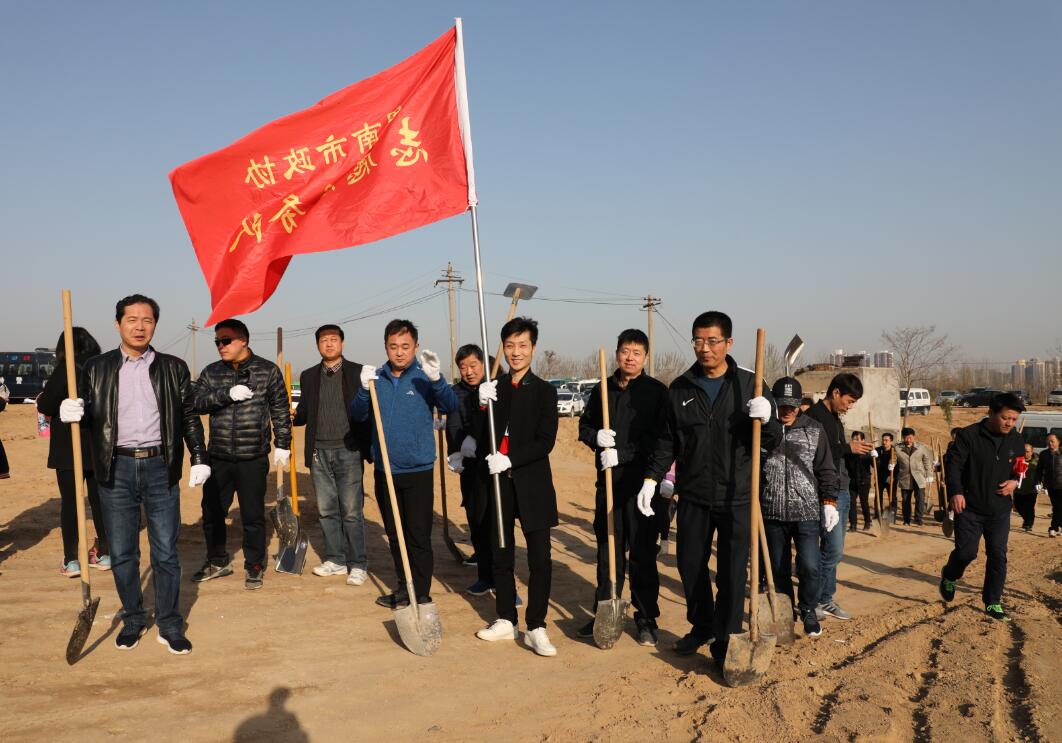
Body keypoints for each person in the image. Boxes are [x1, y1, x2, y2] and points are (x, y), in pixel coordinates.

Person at [59, 294, 209, 654]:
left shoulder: (173, 368)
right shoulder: (96, 368)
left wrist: (199, 457)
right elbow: (90, 415)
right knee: (124, 552)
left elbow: (188, 416)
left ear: (154, 324)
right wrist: (73, 413)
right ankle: (134, 618)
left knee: (166, 552)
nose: (139, 327)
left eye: (147, 320)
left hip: (160, 466)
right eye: (132, 319)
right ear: (118, 324)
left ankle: (170, 624)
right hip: (116, 468)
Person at [641, 310, 781, 668]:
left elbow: (773, 439)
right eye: (699, 341)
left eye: (713, 341)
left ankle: (727, 638)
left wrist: (768, 419)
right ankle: (702, 625)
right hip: (694, 494)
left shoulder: (751, 385)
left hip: (738, 495)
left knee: (733, 573)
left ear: (728, 343)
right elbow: (667, 441)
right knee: (689, 565)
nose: (705, 348)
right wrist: (652, 478)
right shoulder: (681, 387)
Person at [351, 319, 457, 608]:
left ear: (416, 347)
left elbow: (450, 405)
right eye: (393, 346)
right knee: (395, 536)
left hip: (418, 471)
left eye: (405, 346)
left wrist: (437, 380)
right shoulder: (376, 378)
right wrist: (363, 389)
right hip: (386, 470)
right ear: (385, 347)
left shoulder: (424, 377)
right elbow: (358, 414)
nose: (399, 352)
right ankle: (403, 586)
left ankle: (421, 593)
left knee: (418, 535)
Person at [473, 317, 560, 657]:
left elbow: (545, 441)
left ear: (533, 348)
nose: (516, 352)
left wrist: (510, 459)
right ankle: (506, 619)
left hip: (532, 483)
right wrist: (481, 404)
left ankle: (536, 625)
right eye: (509, 346)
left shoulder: (545, 391)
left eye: (523, 345)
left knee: (540, 558)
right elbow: (483, 437)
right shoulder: (494, 388)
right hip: (498, 485)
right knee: (501, 552)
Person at [577, 329, 668, 646]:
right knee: (608, 554)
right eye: (625, 351)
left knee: (642, 554)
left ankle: (646, 618)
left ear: (646, 357)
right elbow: (584, 427)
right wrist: (595, 437)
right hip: (609, 487)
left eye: (637, 352)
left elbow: (660, 441)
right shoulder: (602, 389)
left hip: (642, 489)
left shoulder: (656, 392)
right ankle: (605, 611)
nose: (630, 358)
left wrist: (624, 454)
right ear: (617, 353)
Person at [191, 318, 290, 591]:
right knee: (212, 513)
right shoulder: (211, 372)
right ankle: (217, 560)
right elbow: (196, 403)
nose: (220, 346)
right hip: (218, 456)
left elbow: (281, 410)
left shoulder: (267, 371)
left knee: (253, 516)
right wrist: (226, 394)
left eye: (226, 340)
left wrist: (283, 443)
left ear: (243, 340)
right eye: (217, 341)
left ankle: (254, 564)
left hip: (252, 457)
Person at [293, 324, 372, 585]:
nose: (329, 344)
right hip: (319, 451)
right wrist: (293, 415)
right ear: (317, 345)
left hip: (349, 450)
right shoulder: (308, 376)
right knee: (326, 510)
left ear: (342, 343)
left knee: (351, 511)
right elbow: (305, 413)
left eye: (333, 339)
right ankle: (336, 560)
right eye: (324, 340)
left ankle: (358, 563)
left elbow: (368, 410)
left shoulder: (357, 372)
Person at [761, 376, 838, 638]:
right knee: (777, 568)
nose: (788, 410)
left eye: (792, 405)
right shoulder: (762, 430)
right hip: (771, 511)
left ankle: (808, 608)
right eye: (782, 405)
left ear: (799, 404)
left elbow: (826, 469)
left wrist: (829, 502)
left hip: (806, 512)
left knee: (810, 565)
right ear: (774, 404)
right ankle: (785, 613)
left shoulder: (814, 429)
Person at [940, 392, 1026, 620]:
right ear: (991, 413)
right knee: (966, 553)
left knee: (998, 554)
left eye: (1014, 419)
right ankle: (950, 575)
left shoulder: (1016, 439)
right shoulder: (968, 435)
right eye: (1005, 418)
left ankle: (993, 601)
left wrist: (1015, 482)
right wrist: (956, 492)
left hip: (999, 509)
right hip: (970, 507)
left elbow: (1020, 468)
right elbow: (954, 466)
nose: (1010, 423)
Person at [37, 327, 110, 577]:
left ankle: (71, 560)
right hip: (99, 445)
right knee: (100, 501)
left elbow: (46, 404)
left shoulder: (66, 369)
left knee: (70, 502)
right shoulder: (102, 367)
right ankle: (105, 553)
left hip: (69, 447)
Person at [804, 373, 872, 621]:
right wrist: (847, 448)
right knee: (831, 550)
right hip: (824, 493)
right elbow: (814, 453)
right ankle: (812, 601)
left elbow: (837, 453)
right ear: (835, 393)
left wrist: (855, 453)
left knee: (835, 551)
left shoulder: (835, 419)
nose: (850, 406)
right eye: (849, 400)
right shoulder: (813, 417)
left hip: (841, 488)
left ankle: (826, 598)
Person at [445, 344, 494, 594]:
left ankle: (502, 577)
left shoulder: (495, 387)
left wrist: (478, 437)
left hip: (495, 464)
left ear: (484, 364)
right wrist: (455, 449)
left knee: (495, 522)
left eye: (473, 365)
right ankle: (485, 576)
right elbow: (453, 424)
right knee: (475, 519)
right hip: (470, 465)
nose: (469, 371)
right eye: (463, 367)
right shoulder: (456, 393)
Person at [894, 427, 934, 527]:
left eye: (910, 437)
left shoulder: (921, 447)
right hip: (905, 477)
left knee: (920, 498)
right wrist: (891, 464)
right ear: (903, 437)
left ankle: (918, 518)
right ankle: (906, 519)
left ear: (914, 437)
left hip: (919, 477)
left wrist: (929, 474)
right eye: (906, 438)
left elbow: (926, 461)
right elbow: (893, 460)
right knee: (905, 500)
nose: (908, 440)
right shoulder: (897, 448)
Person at [844, 431, 874, 531]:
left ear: (863, 440)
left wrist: (875, 458)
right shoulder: (848, 453)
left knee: (864, 502)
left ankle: (867, 522)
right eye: (854, 439)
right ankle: (853, 525)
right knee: (851, 503)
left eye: (858, 439)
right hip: (852, 481)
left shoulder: (867, 452)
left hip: (864, 481)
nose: (856, 441)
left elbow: (875, 466)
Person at [1037, 432, 1062, 537]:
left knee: (1058, 507)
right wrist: (1038, 482)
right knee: (1057, 506)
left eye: (1052, 441)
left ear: (1058, 442)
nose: (1050, 443)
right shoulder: (1043, 454)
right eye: (1048, 441)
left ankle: (1053, 528)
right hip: (1051, 485)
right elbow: (1039, 469)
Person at [1013, 443, 1038, 532]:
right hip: (1018, 489)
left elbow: (1042, 473)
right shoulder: (1017, 460)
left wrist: (1041, 483)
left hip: (1031, 489)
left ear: (1031, 452)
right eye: (1024, 451)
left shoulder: (1036, 462)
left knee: (1029, 508)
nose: (1025, 453)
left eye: (1027, 451)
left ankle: (1028, 524)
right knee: (1018, 506)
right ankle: (1027, 519)